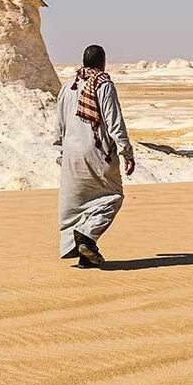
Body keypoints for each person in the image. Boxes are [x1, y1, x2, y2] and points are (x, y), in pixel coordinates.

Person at [55, 44, 135, 267]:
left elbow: (59, 123)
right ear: (103, 62)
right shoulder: (103, 84)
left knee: (77, 204)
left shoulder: (68, 86)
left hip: (71, 154)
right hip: (97, 153)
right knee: (112, 196)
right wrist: (126, 151)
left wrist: (59, 150)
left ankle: (85, 256)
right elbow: (114, 121)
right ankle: (87, 237)